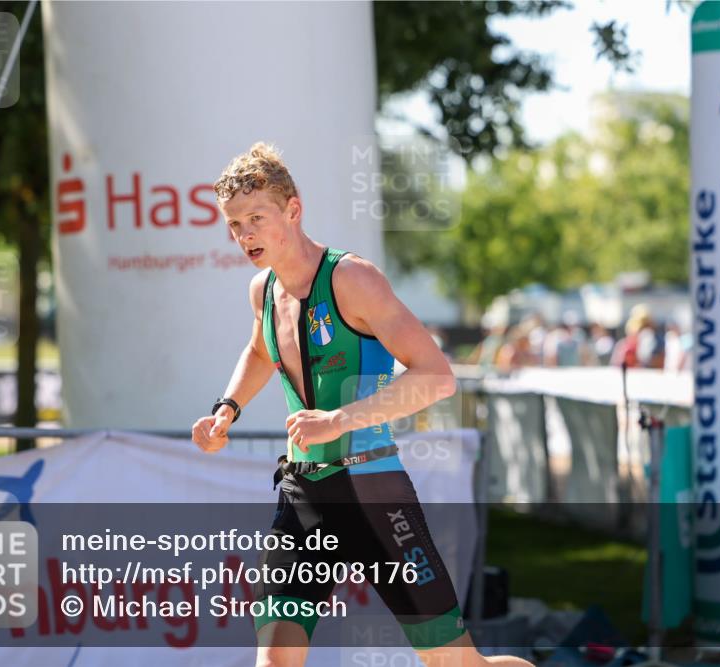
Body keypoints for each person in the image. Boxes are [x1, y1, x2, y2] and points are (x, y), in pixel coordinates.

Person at [191, 143, 533, 667]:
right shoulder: (262, 291)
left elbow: (437, 377)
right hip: (303, 493)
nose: (245, 236)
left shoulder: (352, 279)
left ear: (293, 210)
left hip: (372, 491)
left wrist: (339, 420)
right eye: (234, 225)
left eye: (255, 219)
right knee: (274, 661)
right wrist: (227, 409)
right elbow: (260, 349)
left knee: (456, 665)